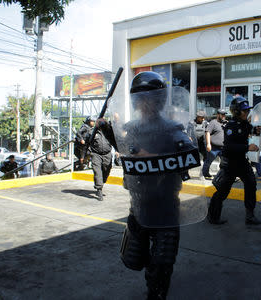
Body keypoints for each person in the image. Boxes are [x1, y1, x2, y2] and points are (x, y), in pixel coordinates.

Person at [119, 71, 197, 299]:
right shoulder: (131, 128)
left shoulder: (172, 129)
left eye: (150, 98)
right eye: (140, 98)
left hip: (166, 205)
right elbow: (124, 150)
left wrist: (149, 156)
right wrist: (103, 129)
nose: (145, 103)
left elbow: (191, 156)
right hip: (139, 203)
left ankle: (156, 292)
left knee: (162, 261)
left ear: (160, 101)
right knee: (134, 258)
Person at [207, 96, 261, 225]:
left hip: (242, 162)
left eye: (247, 110)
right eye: (243, 111)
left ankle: (250, 216)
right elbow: (229, 146)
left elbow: (248, 130)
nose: (246, 113)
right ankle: (213, 216)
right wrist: (247, 147)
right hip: (230, 163)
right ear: (236, 112)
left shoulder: (245, 124)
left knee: (251, 184)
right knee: (223, 191)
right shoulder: (230, 126)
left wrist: (255, 130)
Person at [90, 117, 116, 201]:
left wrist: (117, 151)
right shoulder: (93, 132)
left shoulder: (109, 131)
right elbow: (87, 142)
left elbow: (115, 140)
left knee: (107, 170)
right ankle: (99, 189)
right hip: (96, 154)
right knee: (97, 171)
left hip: (107, 154)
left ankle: (102, 182)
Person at [202, 108, 227, 179]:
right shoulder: (213, 122)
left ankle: (222, 175)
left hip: (223, 148)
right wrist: (208, 144)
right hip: (214, 147)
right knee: (208, 161)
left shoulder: (225, 123)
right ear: (218, 115)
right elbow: (207, 132)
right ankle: (205, 174)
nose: (224, 116)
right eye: (222, 114)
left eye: (224, 114)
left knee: (225, 162)